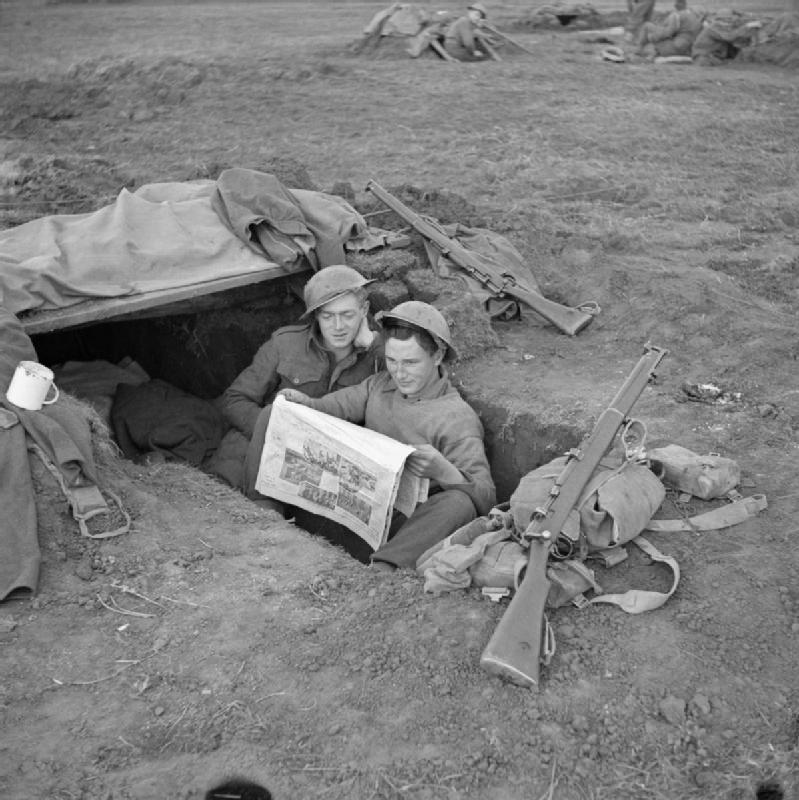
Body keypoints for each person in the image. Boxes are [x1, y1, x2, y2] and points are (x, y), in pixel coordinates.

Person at [278, 301, 496, 571]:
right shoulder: (379, 385)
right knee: (280, 418)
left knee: (458, 505)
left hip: (402, 531)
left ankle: (382, 570)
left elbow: (486, 498)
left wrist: (444, 471)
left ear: (437, 357)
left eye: (411, 362)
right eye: (392, 360)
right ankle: (268, 514)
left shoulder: (456, 418)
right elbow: (335, 407)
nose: (399, 373)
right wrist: (305, 403)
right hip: (354, 510)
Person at [220, 265, 383, 502]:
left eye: (347, 315)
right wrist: (277, 433)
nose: (338, 327)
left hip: (328, 469)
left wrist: (372, 343)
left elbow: (408, 387)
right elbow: (235, 399)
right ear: (316, 316)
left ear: (364, 310)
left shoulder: (379, 357)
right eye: (328, 316)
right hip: (268, 447)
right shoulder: (285, 343)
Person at [634, 0, 703, 57]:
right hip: (689, 49)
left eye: (677, 2)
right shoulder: (696, 20)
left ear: (681, 4)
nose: (675, 5)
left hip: (677, 48)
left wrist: (652, 37)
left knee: (647, 26)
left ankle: (638, 50)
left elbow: (668, 33)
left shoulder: (677, 15)